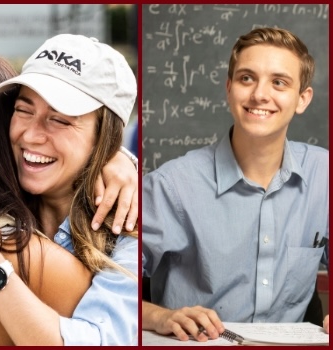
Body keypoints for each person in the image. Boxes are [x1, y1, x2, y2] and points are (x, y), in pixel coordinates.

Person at [0, 34, 139, 345]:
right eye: (23, 110)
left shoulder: (128, 230)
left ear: (103, 138)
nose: (31, 135)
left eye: (60, 120)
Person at [141, 27, 330, 341]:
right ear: (229, 89)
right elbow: (108, 283)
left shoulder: (324, 174)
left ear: (302, 99)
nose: (259, 94)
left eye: (279, 82)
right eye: (246, 78)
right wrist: (159, 315)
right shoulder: (169, 187)